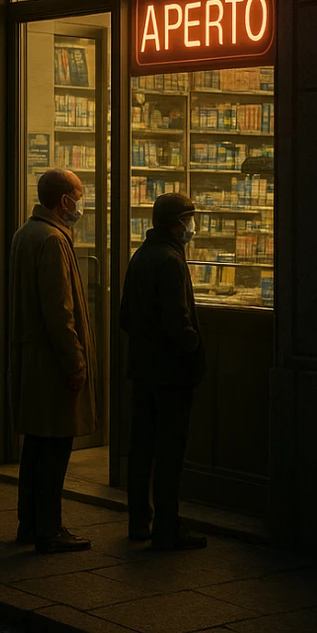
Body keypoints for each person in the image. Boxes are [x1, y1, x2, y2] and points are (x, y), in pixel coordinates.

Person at [9, 169, 96, 553]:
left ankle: (29, 521)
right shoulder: (53, 240)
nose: (82, 201)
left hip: (33, 359)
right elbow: (60, 311)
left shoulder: (25, 233)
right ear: (64, 201)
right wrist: (75, 361)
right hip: (52, 362)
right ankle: (49, 527)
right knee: (55, 447)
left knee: (36, 446)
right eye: (79, 194)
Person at [119, 191, 207, 550]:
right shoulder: (171, 260)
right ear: (176, 223)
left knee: (142, 448)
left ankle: (139, 520)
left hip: (143, 370)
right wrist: (194, 347)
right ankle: (167, 527)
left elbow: (125, 315)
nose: (192, 226)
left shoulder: (140, 256)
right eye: (189, 218)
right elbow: (177, 321)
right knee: (170, 452)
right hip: (170, 373)